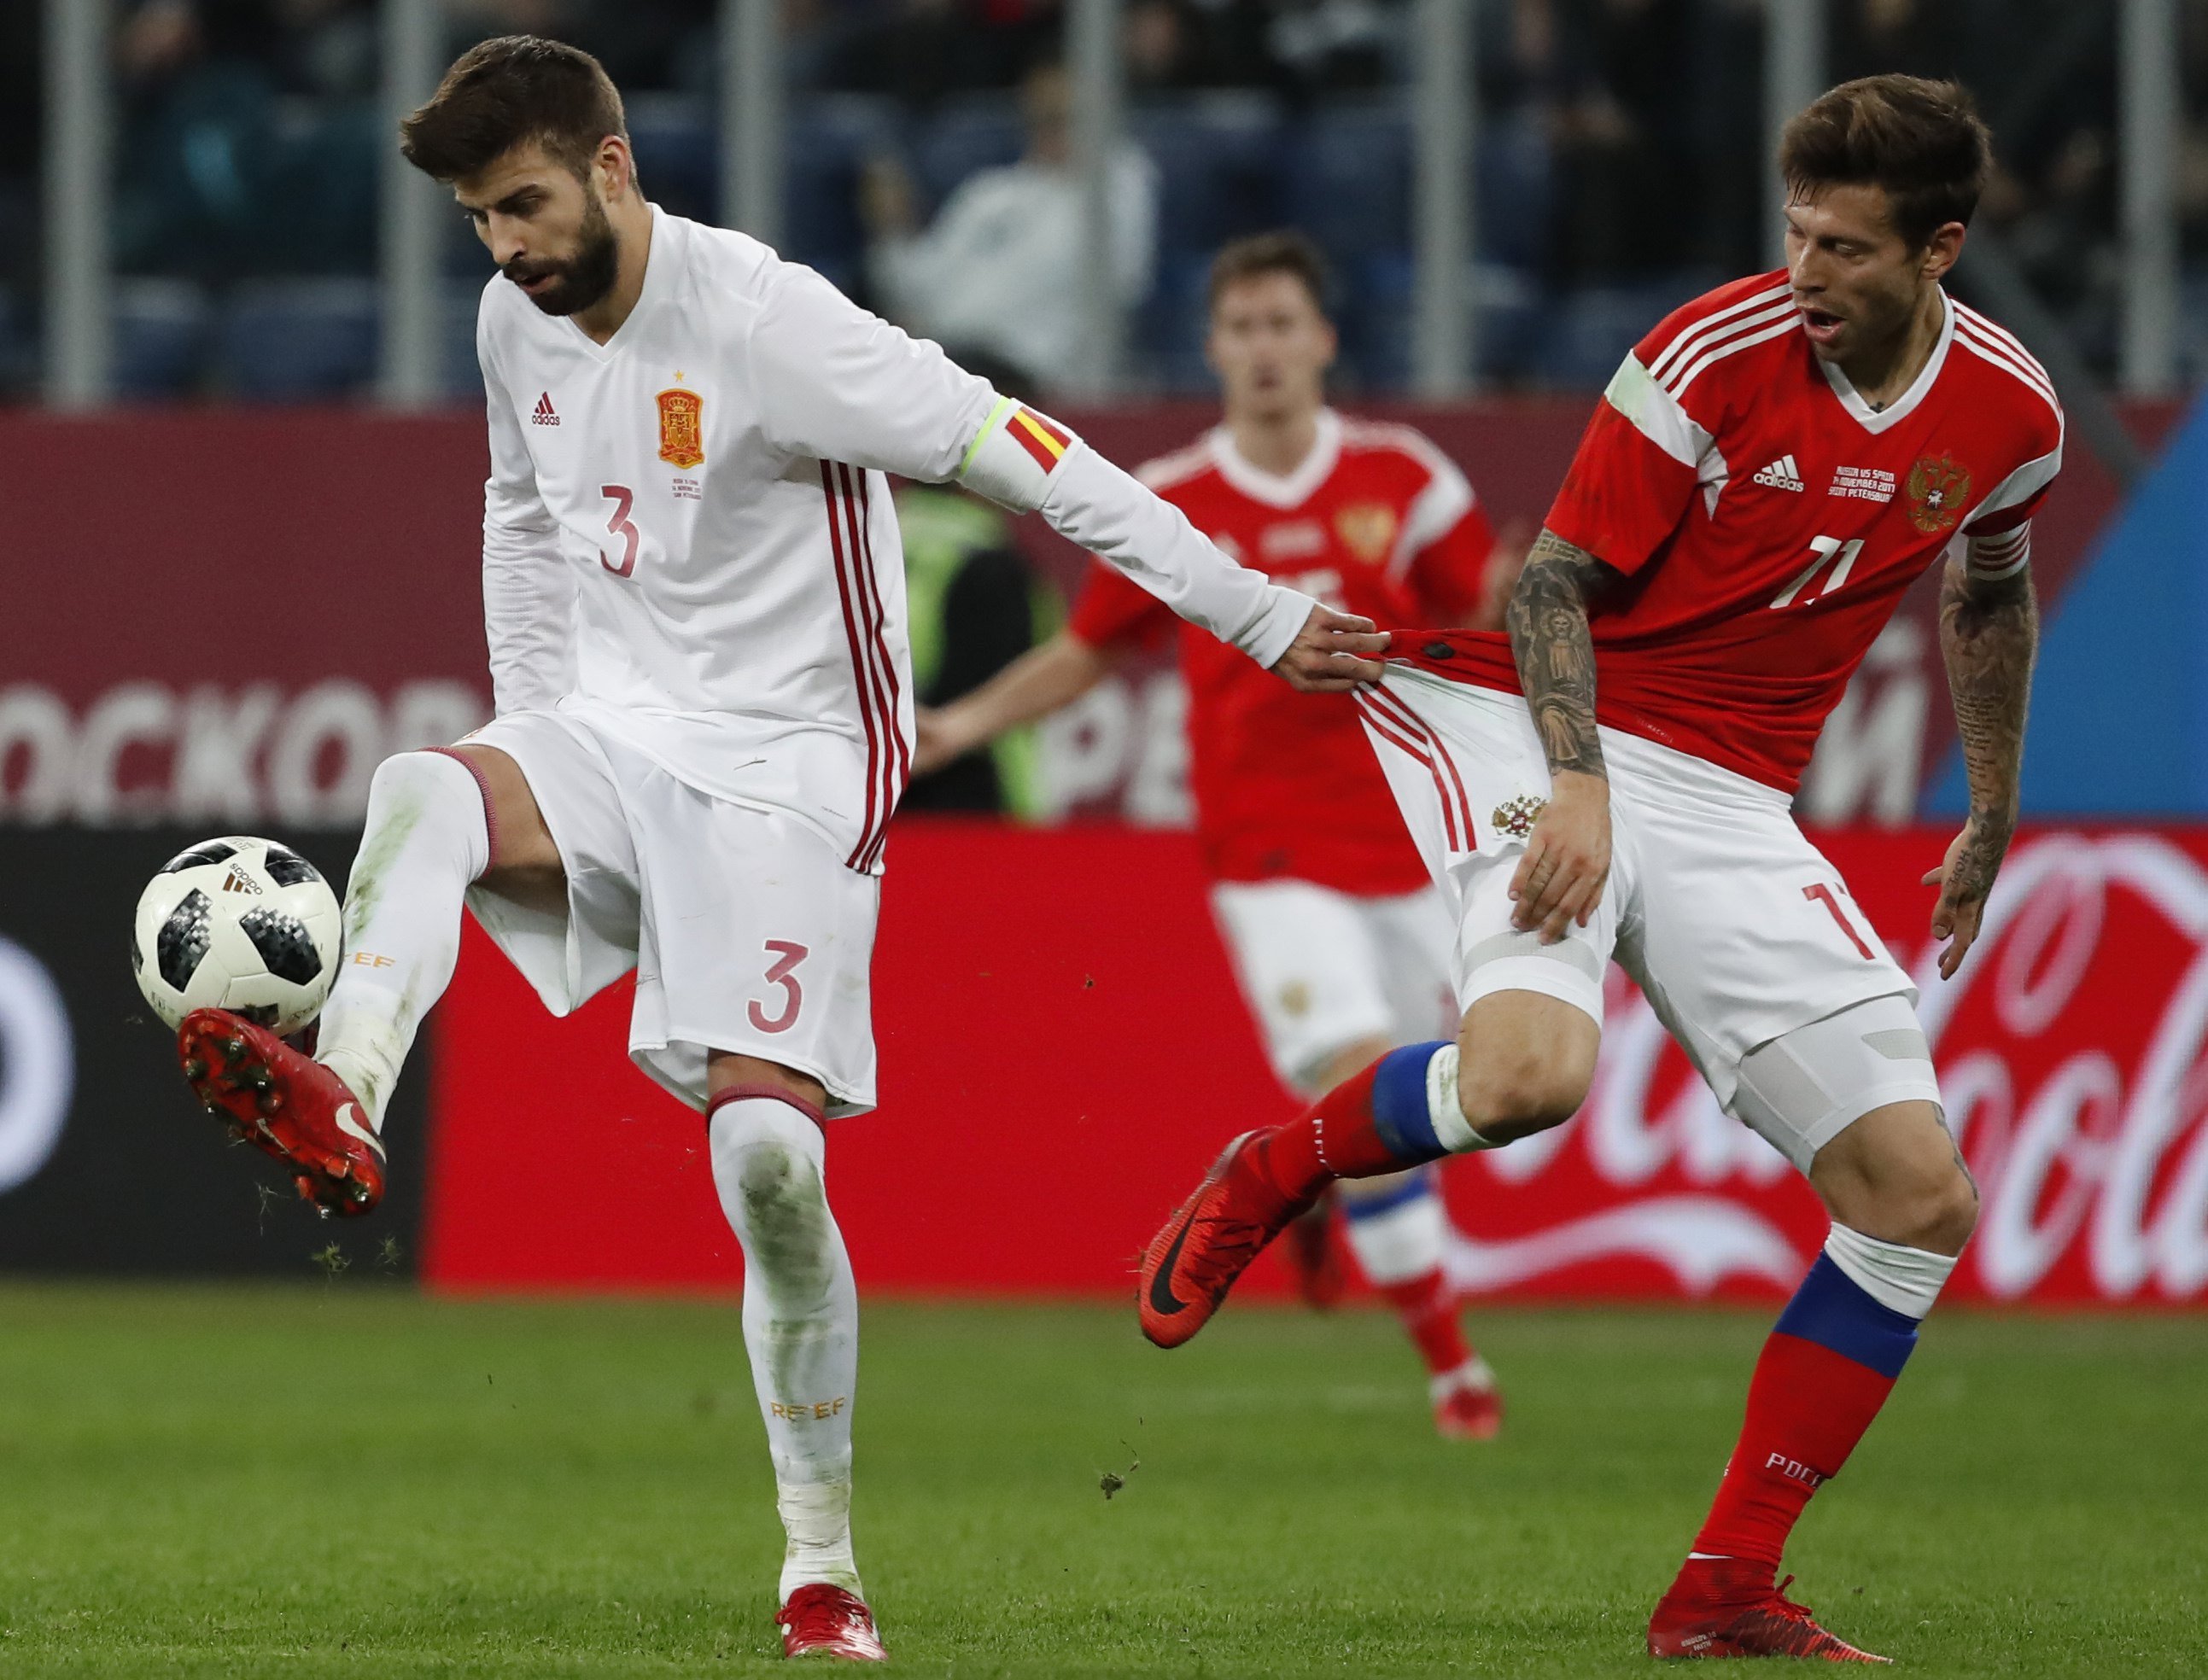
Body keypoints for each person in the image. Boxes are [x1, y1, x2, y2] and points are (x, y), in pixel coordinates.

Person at [170, 34, 1383, 1664]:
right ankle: (349, 1096)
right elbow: (519, 515)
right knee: (428, 783)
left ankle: (822, 1565)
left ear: (612, 166)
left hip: (796, 771)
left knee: (769, 1166)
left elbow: (1031, 455)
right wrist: (538, 720)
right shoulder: (509, 315)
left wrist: (1255, 611)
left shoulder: (770, 321)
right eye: (476, 221)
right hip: (616, 729)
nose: (505, 247)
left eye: (522, 204)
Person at [1135, 75, 2059, 1663]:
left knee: (1916, 1196)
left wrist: (1989, 805)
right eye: (1793, 233)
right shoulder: (1711, 352)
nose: (1807, 272)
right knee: (1524, 1080)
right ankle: (1278, 1163)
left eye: (1845, 247)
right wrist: (1578, 790)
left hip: (1735, 801)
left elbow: (1988, 591)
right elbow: (1552, 581)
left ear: (1940, 250)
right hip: (1526, 724)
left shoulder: (2013, 414)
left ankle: (1722, 1589)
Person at [915, 230, 1516, 1438]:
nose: (1263, 349)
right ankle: (1456, 1375)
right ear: (1212, 349)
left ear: (1323, 341)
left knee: (1427, 1108)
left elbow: (1489, 619)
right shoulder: (1176, 500)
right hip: (1266, 855)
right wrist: (960, 726)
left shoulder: (1405, 482)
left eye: (1282, 324)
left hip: (1417, 851)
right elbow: (1089, 648)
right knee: (1357, 1078)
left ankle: (1299, 1187)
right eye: (1241, 329)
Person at [863, 61, 1158, 394]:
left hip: (1030, 376)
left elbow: (1125, 279)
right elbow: (919, 284)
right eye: (1039, 117)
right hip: (946, 361)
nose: (1048, 129)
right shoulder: (990, 193)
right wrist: (895, 229)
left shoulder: (1115, 188)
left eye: (1062, 116)